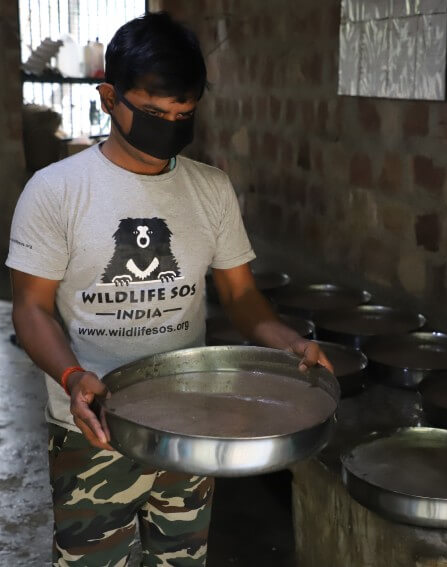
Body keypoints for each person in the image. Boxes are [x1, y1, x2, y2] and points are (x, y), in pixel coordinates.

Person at [7, 12, 331, 566]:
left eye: (184, 115)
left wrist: (288, 341)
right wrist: (73, 376)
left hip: (188, 423)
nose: (170, 128)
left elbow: (243, 298)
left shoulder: (210, 189)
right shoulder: (56, 191)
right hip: (95, 428)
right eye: (154, 113)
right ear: (109, 98)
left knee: (180, 559)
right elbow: (32, 310)